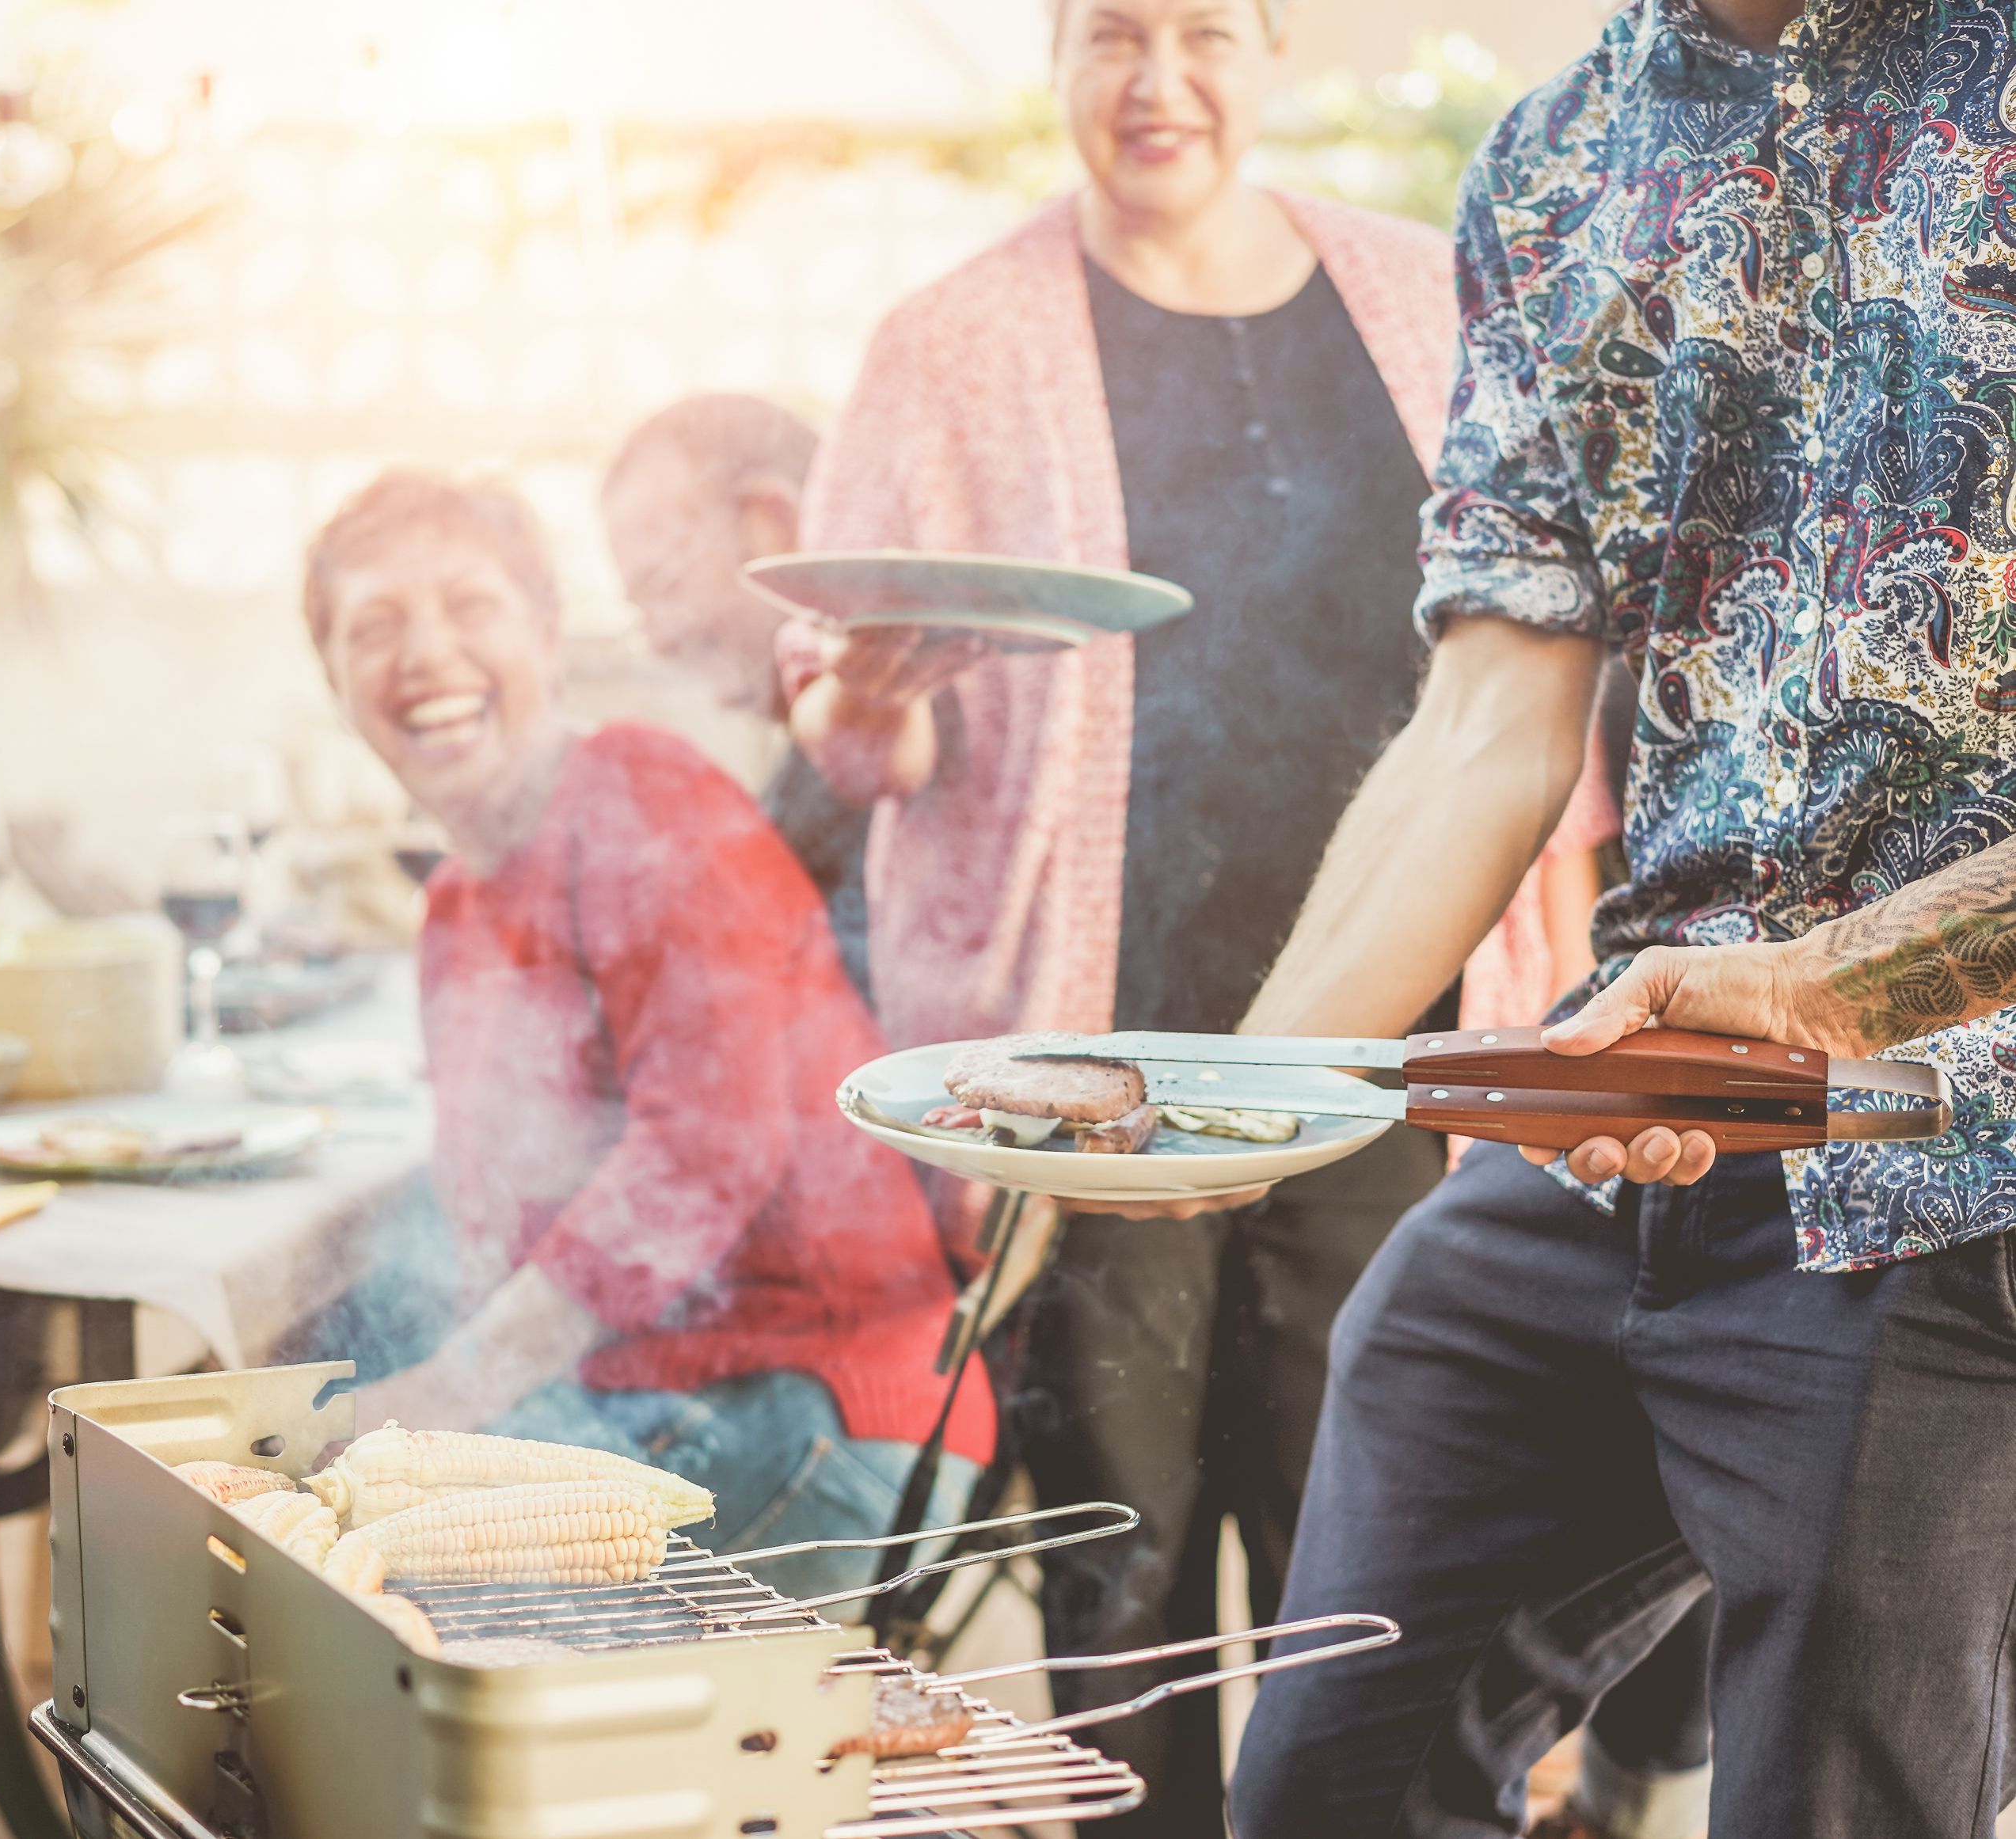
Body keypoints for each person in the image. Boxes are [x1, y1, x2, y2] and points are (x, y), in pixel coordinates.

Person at [1220, 0, 2016, 1830]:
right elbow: (1487, 715)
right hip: (1628, 1109)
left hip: (1947, 1156)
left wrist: (1824, 984)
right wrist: (1242, 1086)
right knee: (1322, 1783)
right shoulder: (1548, 163)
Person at [782, 0, 1500, 1824]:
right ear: (1052, 59)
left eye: (1201, 30)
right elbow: (858, 719)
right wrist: (865, 699)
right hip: (1087, 1067)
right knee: (1118, 1583)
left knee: (1364, 1572)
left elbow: (1518, 661)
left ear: (1270, 55)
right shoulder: (950, 342)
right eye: (1109, 31)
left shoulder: (1423, 296)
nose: (1154, 80)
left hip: (1375, 1052)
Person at [295, 468, 992, 1598]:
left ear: (550, 635)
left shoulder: (635, 791)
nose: (424, 653)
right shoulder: (452, 912)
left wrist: (442, 1393)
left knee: (377, 1616)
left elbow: (700, 1153)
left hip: (807, 1401)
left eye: (470, 607)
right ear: (333, 683)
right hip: (639, 1397)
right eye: (374, 626)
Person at [599, 394, 874, 1001]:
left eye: (662, 587)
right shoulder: (808, 764)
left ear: (773, 528)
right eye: (637, 611)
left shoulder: (888, 742)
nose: (658, 640)